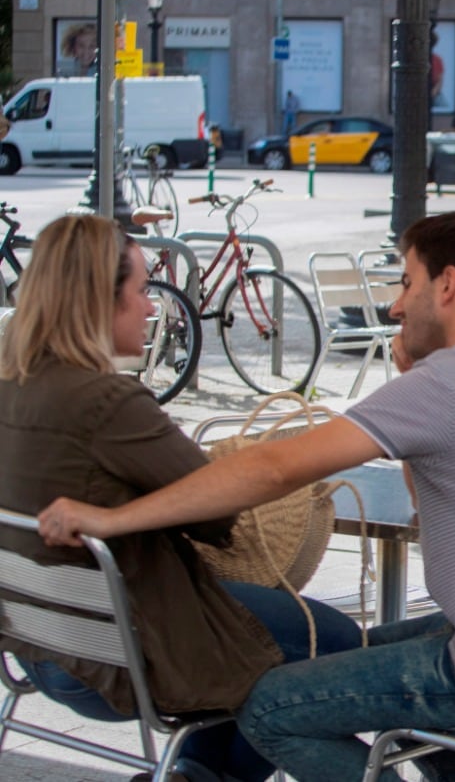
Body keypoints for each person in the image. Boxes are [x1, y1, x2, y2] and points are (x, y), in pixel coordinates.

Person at [38, 212, 455, 781]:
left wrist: (113, 520)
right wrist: (405, 381)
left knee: (270, 709)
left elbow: (274, 468)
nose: (395, 305)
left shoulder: (446, 382)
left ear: (447, 285)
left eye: (406, 281)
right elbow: (427, 502)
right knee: (352, 659)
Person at [0, 215, 363, 782]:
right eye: (142, 291)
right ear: (101, 298)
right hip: (129, 649)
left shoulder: (11, 384)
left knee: (251, 643)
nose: (151, 308)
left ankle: (193, 773)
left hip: (41, 644)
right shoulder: (105, 401)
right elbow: (219, 512)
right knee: (341, 647)